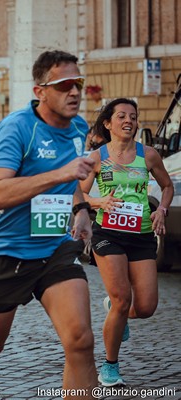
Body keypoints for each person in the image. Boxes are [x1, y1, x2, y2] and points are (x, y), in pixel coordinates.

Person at [0, 50, 97, 399]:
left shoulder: (79, 127)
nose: (74, 91)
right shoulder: (17, 128)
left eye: (77, 83)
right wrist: (59, 174)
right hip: (6, 251)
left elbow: (73, 177)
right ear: (40, 91)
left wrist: (80, 209)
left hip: (53, 248)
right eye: (64, 85)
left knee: (80, 339)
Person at [80, 98, 173, 386]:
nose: (128, 121)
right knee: (123, 299)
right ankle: (109, 366)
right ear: (108, 123)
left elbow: (167, 186)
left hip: (142, 234)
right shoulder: (95, 158)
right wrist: (97, 200)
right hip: (108, 234)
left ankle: (115, 311)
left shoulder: (148, 155)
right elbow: (77, 194)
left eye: (133, 116)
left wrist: (161, 209)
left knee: (145, 308)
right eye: (121, 116)